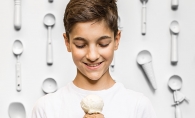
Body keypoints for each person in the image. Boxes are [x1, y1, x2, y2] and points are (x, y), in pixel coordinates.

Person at [31, 0, 157, 118]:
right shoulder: (46, 108)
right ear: (67, 42)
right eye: (81, 45)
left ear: (116, 40)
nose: (92, 56)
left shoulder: (138, 107)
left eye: (103, 44)